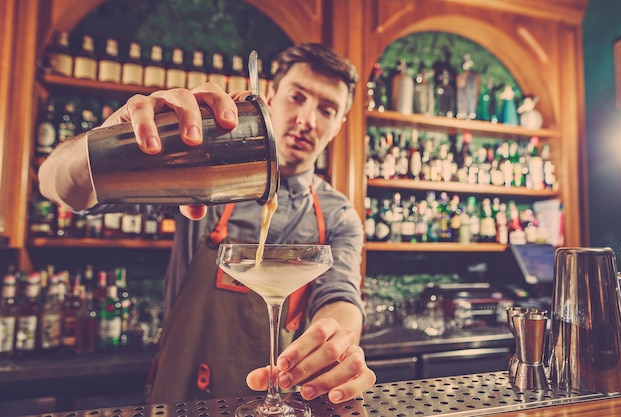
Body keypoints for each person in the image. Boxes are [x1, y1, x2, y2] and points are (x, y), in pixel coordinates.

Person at [38, 43, 376, 404]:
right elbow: (57, 188)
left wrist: (338, 336)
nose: (307, 119)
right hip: (181, 399)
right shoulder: (205, 175)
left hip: (282, 399)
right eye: (297, 97)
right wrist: (109, 144)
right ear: (271, 97)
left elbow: (339, 295)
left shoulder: (339, 214)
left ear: (339, 124)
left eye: (326, 110)